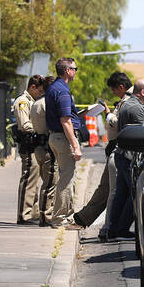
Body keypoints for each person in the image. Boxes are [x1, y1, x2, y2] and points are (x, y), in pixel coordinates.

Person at [72, 71, 132, 234]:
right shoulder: (125, 100)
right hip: (115, 149)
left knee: (113, 191)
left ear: (121, 87)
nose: (113, 93)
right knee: (106, 188)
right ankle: (84, 218)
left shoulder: (129, 101)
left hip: (122, 151)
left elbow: (118, 123)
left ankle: (109, 228)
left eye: (114, 89)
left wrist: (108, 113)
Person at [103, 78, 144, 240]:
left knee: (121, 195)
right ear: (143, 92)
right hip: (128, 157)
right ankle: (122, 229)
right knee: (134, 195)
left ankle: (113, 229)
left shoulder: (127, 104)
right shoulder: (137, 108)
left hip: (121, 155)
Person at [44, 57, 84, 228]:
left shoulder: (54, 88)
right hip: (63, 137)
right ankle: (60, 218)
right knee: (66, 179)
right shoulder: (62, 91)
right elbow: (65, 121)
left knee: (67, 176)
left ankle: (67, 215)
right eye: (74, 68)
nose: (75, 71)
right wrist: (75, 146)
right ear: (68, 71)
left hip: (55, 136)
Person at [12, 75, 46, 225]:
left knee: (35, 180)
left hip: (35, 144)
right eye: (40, 91)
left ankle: (32, 212)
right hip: (28, 143)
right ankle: (24, 215)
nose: (41, 94)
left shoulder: (32, 101)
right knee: (28, 179)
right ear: (32, 87)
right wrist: (41, 129)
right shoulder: (23, 102)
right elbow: (25, 124)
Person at [29, 76, 57, 227]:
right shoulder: (47, 104)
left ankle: (44, 214)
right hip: (47, 146)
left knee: (47, 182)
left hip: (39, 146)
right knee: (50, 183)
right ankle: (46, 216)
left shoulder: (36, 103)